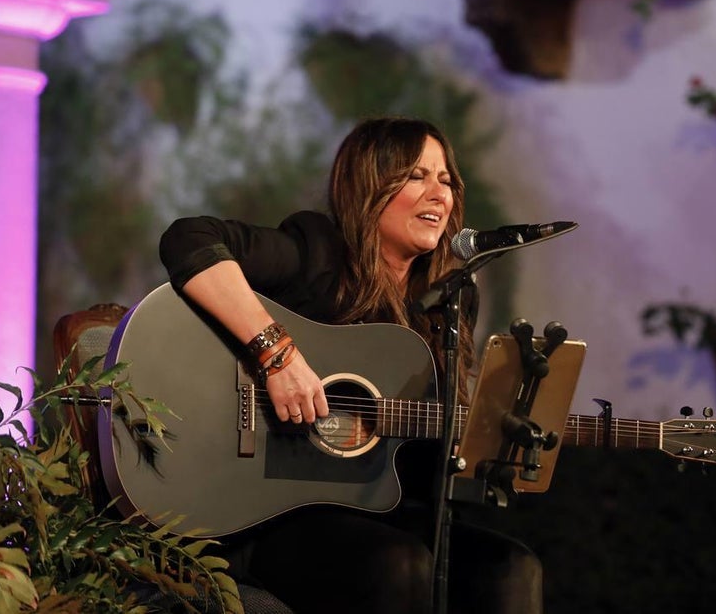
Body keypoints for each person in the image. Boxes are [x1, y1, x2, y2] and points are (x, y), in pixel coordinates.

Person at [158, 116, 543, 614]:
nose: (438, 194)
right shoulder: (318, 254)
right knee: (398, 564)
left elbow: (420, 465)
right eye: (416, 176)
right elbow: (188, 239)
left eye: (445, 180)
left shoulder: (447, 303)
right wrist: (277, 356)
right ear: (369, 187)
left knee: (512, 567)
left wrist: (488, 448)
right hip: (269, 511)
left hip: (377, 509)